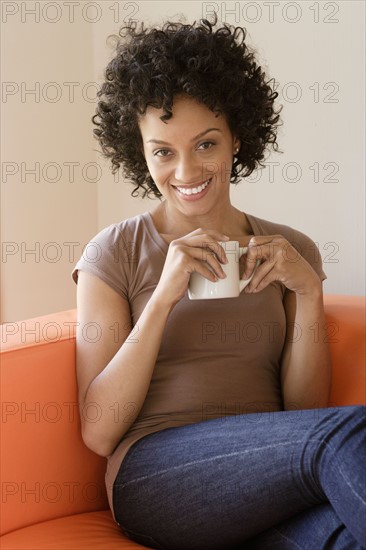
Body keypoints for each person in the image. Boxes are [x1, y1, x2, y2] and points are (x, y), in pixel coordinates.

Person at [71, 17, 365, 550]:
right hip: (157, 477)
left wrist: (309, 292)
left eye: (205, 144)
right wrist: (164, 294)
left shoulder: (289, 250)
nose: (186, 170)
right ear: (138, 151)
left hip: (267, 480)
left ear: (236, 139)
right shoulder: (114, 251)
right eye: (163, 151)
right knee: (353, 431)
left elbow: (302, 417)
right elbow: (98, 431)